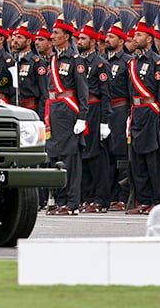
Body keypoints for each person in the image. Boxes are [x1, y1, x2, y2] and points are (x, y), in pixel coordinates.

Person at [44, 14, 88, 216]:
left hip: (69, 113)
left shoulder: (76, 60)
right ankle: (60, 200)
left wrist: (82, 117)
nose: (52, 36)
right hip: (54, 113)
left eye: (56, 33)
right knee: (56, 157)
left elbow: (82, 91)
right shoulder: (53, 59)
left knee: (70, 159)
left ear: (67, 36)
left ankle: (72, 202)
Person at [126, 18, 160, 215]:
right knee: (138, 160)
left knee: (153, 160)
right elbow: (129, 92)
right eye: (135, 34)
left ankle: (157, 200)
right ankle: (143, 200)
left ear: (149, 38)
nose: (135, 38)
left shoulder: (158, 62)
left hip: (151, 113)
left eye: (139, 35)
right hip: (136, 113)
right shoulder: (133, 62)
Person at [77, 19, 112, 213]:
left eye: (83, 38)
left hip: (96, 112)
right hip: (83, 112)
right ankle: (88, 196)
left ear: (92, 41)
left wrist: (105, 121)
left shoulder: (100, 64)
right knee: (84, 156)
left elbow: (106, 95)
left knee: (97, 157)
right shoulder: (79, 61)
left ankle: (100, 199)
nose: (79, 41)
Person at [103, 15, 135, 211]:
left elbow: (132, 90)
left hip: (120, 110)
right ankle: (110, 194)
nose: (107, 39)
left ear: (121, 41)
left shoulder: (127, 61)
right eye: (106, 36)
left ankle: (122, 196)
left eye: (111, 37)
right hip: (104, 111)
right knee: (106, 154)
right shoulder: (103, 60)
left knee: (120, 152)